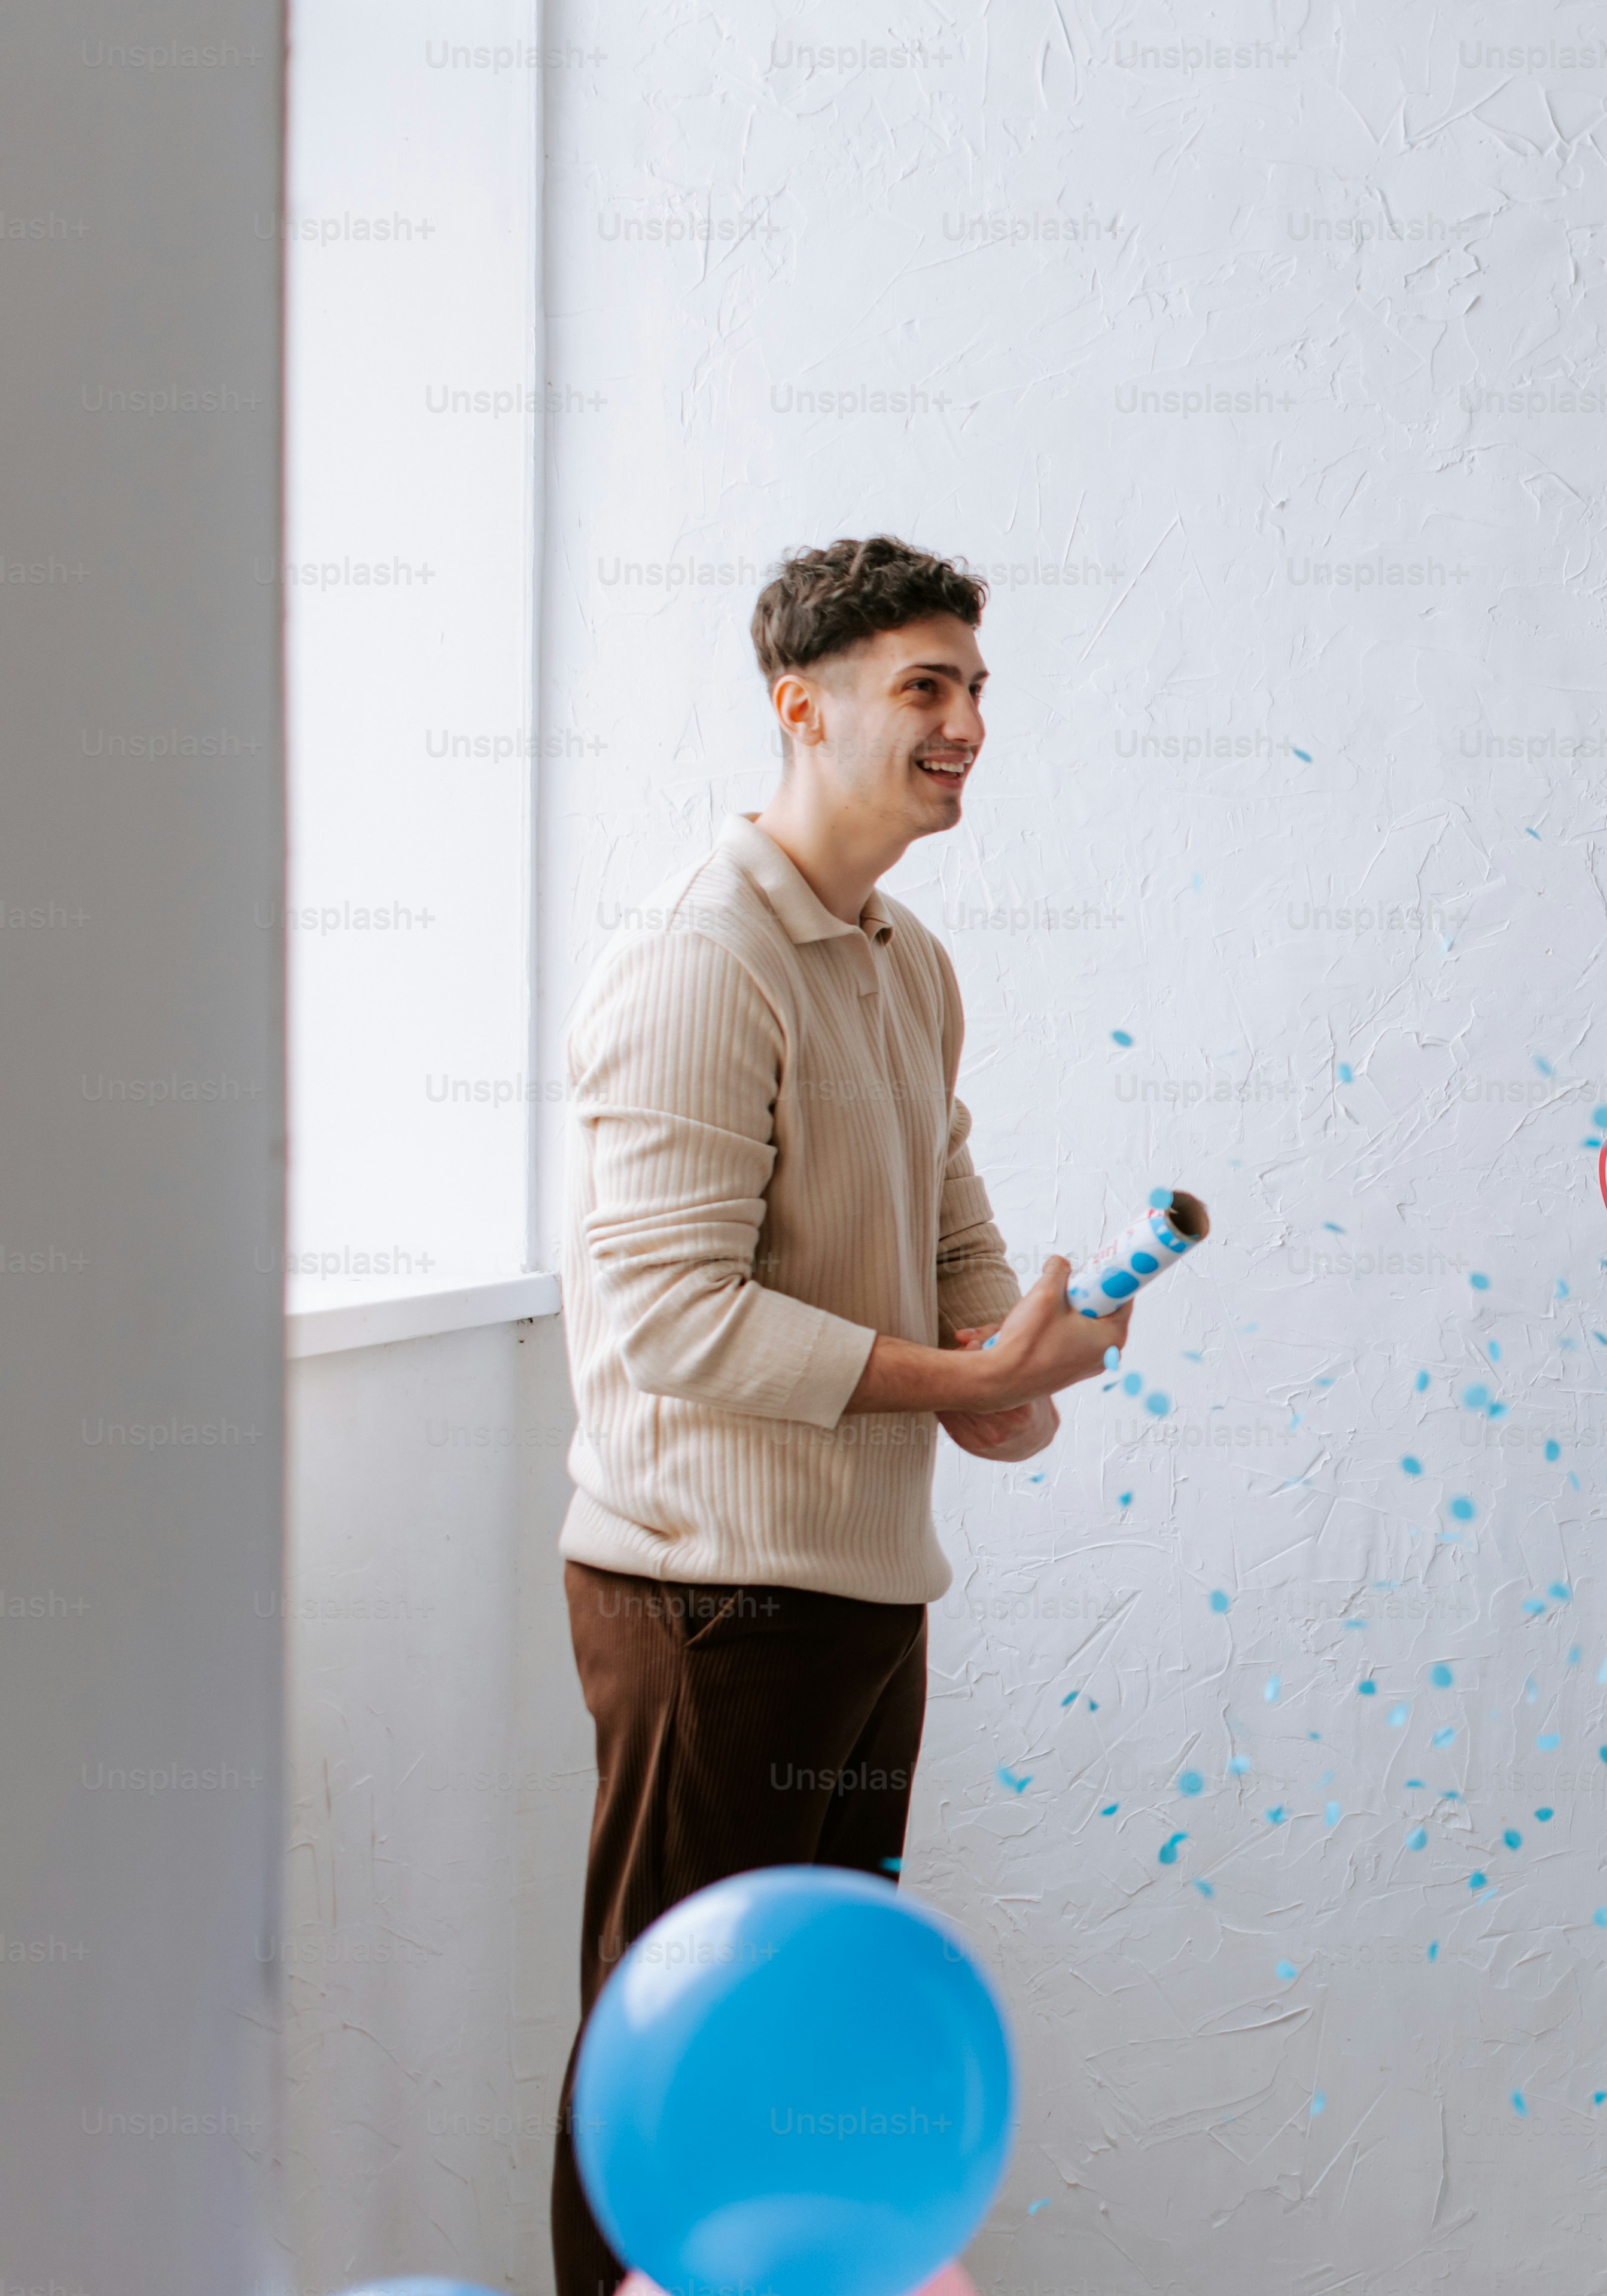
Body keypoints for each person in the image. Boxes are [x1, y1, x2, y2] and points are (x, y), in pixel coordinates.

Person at [546, 537, 1125, 2295]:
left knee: (809, 2082)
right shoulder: (700, 961)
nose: (961, 726)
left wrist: (1006, 1383)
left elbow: (951, 1246)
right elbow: (668, 1317)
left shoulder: (907, 962)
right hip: (707, 1601)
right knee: (669, 2070)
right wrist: (962, 1376)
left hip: (865, 1598)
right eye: (920, 690)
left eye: (971, 691)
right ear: (799, 709)